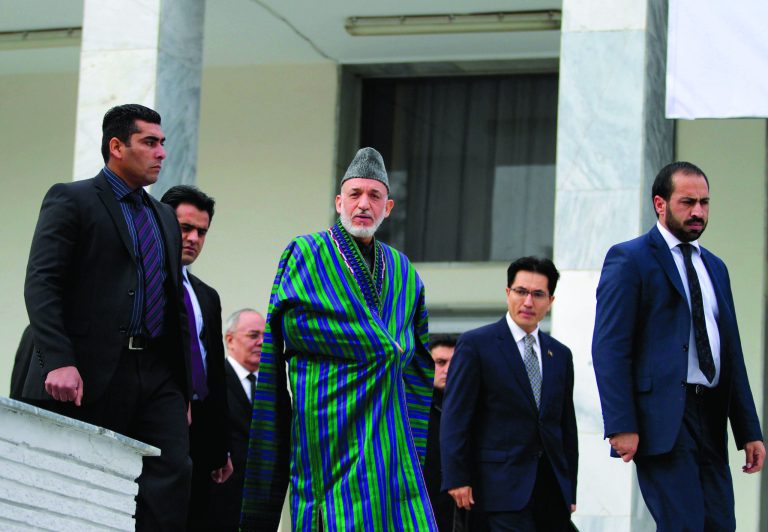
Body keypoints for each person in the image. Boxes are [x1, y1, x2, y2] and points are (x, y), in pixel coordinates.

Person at [241, 147, 437, 531]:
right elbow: (296, 326)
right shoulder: (306, 252)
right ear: (338, 202)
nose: (363, 204)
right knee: (336, 514)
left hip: (386, 427)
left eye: (374, 196)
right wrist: (379, 346)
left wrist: (389, 353)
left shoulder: (404, 271)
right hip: (327, 420)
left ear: (388, 207)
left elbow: (417, 355)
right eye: (355, 194)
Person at [23, 104, 192, 530]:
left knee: (171, 473)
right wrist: (58, 359)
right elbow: (42, 283)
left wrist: (184, 385)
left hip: (156, 373)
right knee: (79, 485)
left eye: (163, 143)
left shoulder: (164, 217)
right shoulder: (72, 199)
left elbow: (173, 301)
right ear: (117, 146)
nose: (161, 153)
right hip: (90, 369)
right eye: (149, 142)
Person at [592, 161, 765, 531]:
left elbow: (730, 353)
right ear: (660, 203)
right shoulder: (630, 259)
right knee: (683, 525)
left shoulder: (715, 267)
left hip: (711, 415)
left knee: (720, 524)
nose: (698, 211)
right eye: (688, 202)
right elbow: (609, 348)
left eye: (704, 202)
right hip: (662, 419)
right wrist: (620, 424)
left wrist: (749, 430)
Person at [441, 257, 578, 532]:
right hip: (498, 487)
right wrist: (457, 477)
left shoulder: (560, 354)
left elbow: (565, 426)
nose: (528, 302)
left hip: (550, 490)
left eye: (538, 294)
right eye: (521, 291)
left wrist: (569, 487)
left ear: (550, 301)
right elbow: (456, 418)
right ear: (507, 293)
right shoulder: (476, 345)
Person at [160, 185, 233, 529]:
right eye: (185, 228)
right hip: (161, 417)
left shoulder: (207, 295)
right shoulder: (144, 283)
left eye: (201, 232)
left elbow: (214, 370)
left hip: (201, 429)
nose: (192, 238)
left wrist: (222, 446)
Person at [207, 308, 266, 530]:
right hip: (218, 502)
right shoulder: (213, 381)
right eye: (253, 335)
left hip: (260, 505)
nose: (262, 342)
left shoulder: (271, 390)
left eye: (265, 336)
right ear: (230, 340)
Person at [423, 334, 459, 532]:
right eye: (440, 362)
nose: (448, 370)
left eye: (455, 363)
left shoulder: (476, 407)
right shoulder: (413, 408)